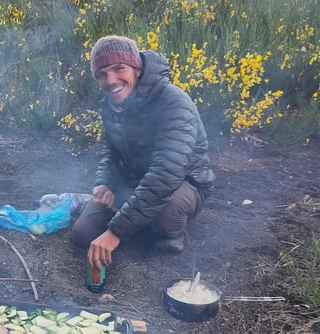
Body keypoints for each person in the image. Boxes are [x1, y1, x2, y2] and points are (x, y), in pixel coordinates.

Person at [70, 35, 215, 277]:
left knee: (165, 218)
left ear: (136, 68)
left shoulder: (173, 102)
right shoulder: (111, 104)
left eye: (118, 69)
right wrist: (103, 182)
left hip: (182, 182)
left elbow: (166, 174)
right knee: (83, 234)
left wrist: (115, 232)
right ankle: (136, 218)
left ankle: (171, 230)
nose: (111, 80)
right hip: (135, 180)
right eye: (102, 74)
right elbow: (111, 151)